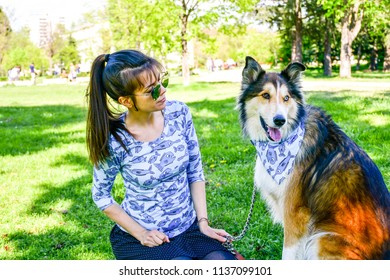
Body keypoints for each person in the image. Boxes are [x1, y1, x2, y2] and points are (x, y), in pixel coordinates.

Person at [86, 49, 236, 260]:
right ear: (127, 101)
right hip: (147, 239)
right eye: (151, 90)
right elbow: (101, 196)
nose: (163, 91)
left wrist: (203, 222)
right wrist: (141, 233)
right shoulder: (115, 140)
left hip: (189, 228)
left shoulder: (179, 113)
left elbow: (195, 170)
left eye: (162, 81)